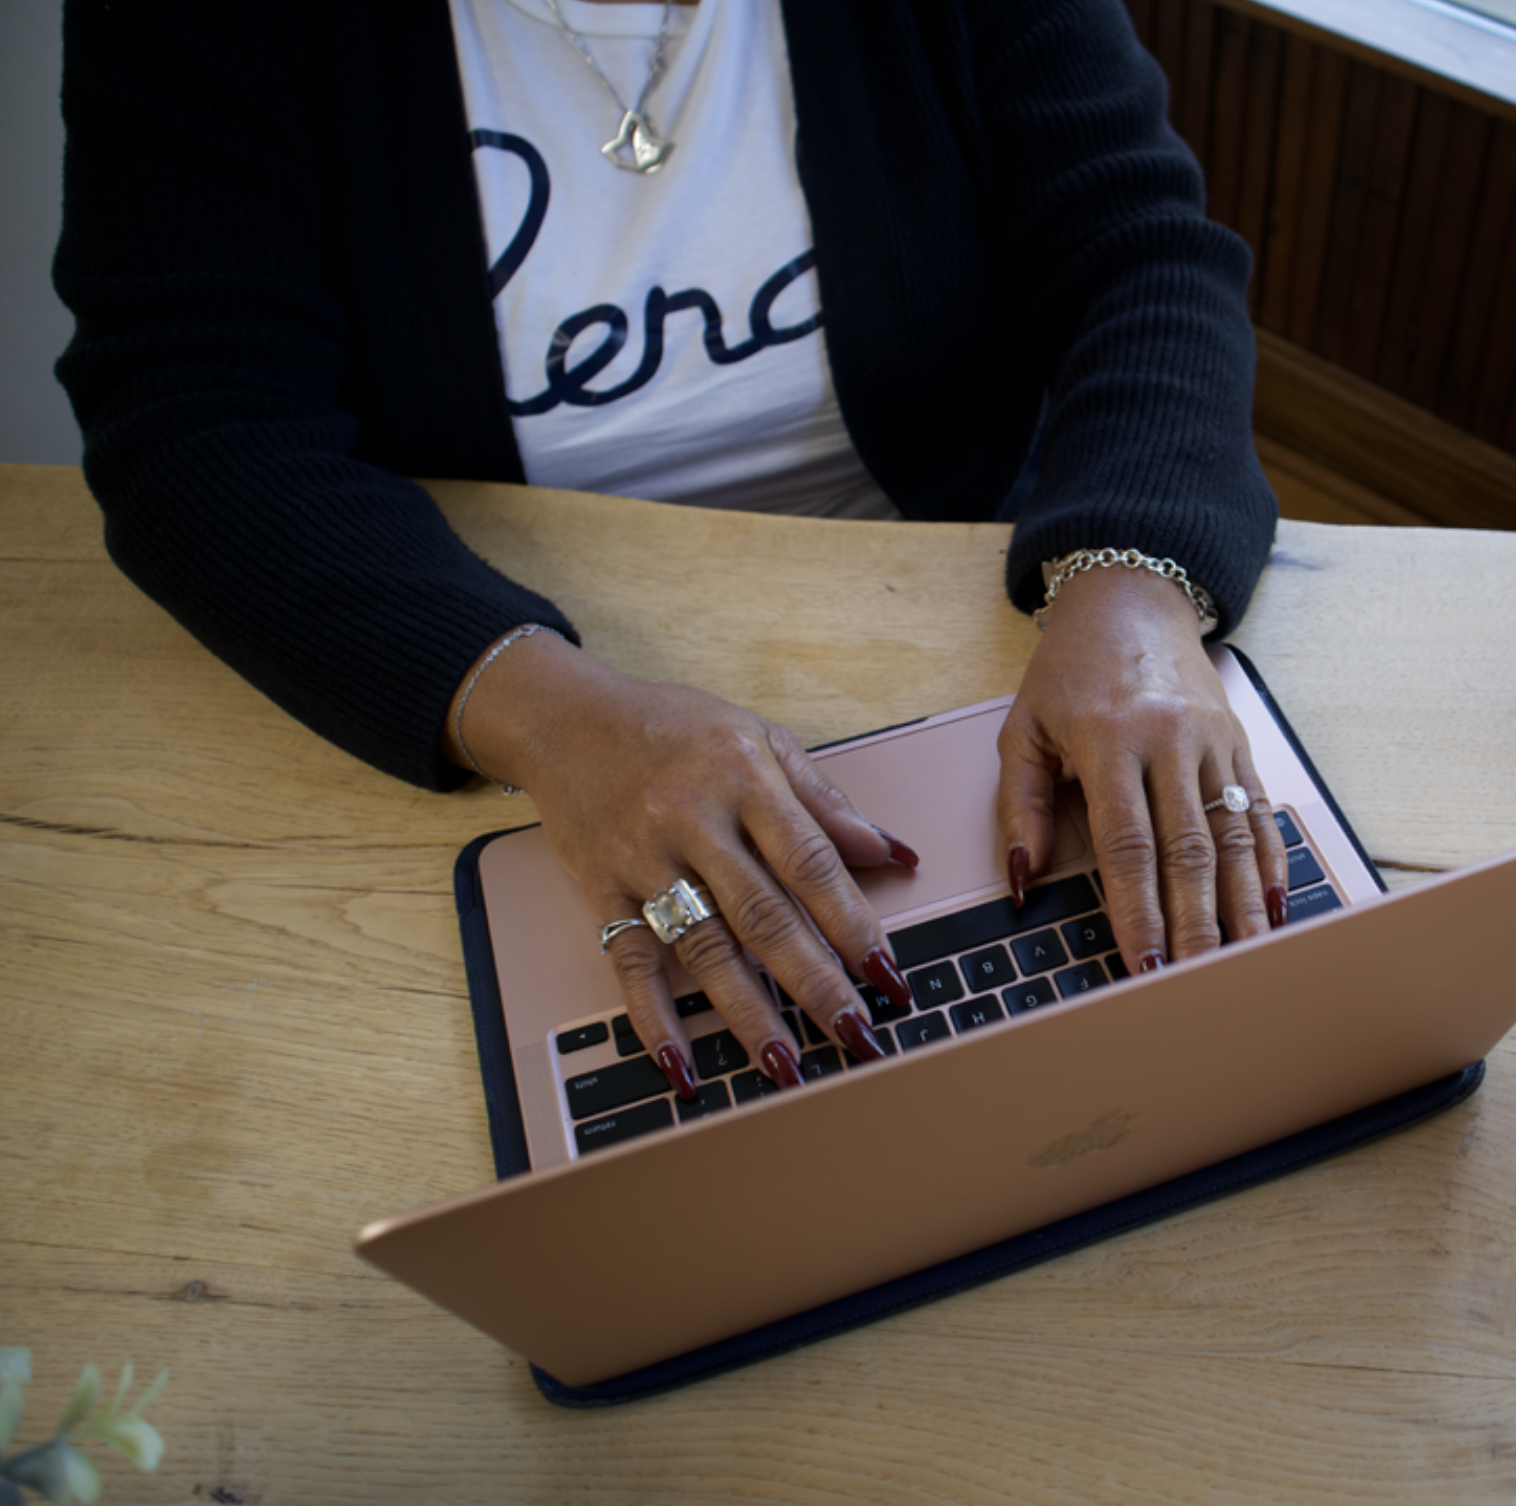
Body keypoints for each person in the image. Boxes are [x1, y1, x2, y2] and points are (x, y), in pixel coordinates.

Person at [53, 0, 1286, 1104]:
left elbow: (1142, 250)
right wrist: (543, 715)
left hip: (959, 619)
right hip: (495, 668)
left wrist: (1128, 579)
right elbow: (193, 419)